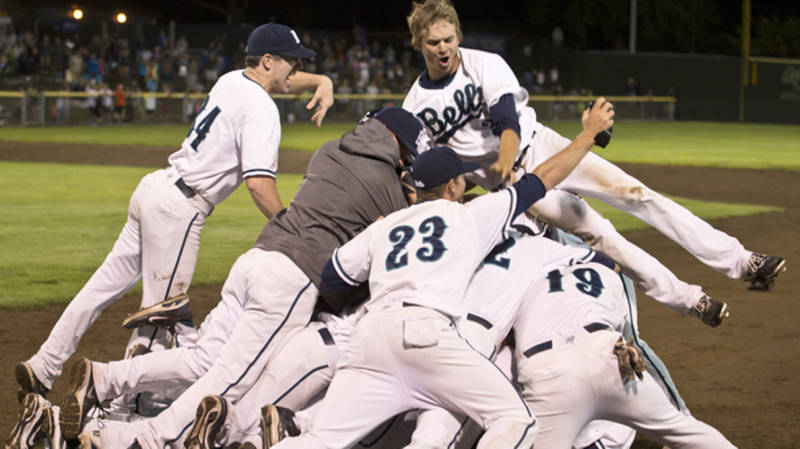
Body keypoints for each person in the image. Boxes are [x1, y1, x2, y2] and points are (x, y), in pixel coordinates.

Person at [48, 106, 426, 449]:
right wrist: (406, 197)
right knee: (232, 379)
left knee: (202, 358)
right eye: (407, 154)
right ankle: (142, 440)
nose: (406, 162)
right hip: (291, 280)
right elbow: (387, 253)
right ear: (396, 145)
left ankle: (105, 378)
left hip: (256, 259)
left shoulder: (329, 149)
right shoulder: (387, 185)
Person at [14, 22, 334, 418]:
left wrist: (321, 79)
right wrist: (290, 225)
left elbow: (283, 80)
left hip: (154, 188)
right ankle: (117, 415)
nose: (294, 70)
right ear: (268, 61)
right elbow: (258, 184)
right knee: (161, 321)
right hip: (179, 211)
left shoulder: (231, 79)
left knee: (100, 289)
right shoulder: (262, 108)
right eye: (291, 62)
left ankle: (44, 363)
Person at [400, 0, 785, 325]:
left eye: (449, 39)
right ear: (419, 44)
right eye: (434, 42)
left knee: (637, 194)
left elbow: (507, 118)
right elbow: (435, 169)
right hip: (521, 187)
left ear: (458, 37)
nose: (443, 47)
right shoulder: (415, 105)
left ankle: (740, 260)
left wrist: (502, 157)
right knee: (598, 232)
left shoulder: (483, 64)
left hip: (542, 148)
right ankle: (688, 299)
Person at [268, 99, 614, 449]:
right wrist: (587, 136)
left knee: (321, 440)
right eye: (461, 178)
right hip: (427, 337)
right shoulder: (470, 215)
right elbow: (541, 180)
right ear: (450, 188)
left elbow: (333, 276)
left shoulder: (387, 225)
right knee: (515, 420)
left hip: (369, 338)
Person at [512, 257, 737, 448]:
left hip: (548, 370)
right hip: (610, 354)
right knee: (684, 429)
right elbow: (634, 340)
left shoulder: (528, 278)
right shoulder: (611, 276)